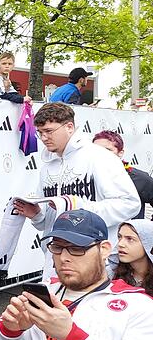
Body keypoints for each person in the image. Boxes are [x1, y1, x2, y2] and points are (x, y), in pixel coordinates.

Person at [0, 209, 153, 340]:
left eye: (76, 248)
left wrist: (71, 336)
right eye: (57, 247)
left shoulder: (136, 304)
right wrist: (11, 329)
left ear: (103, 249)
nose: (64, 258)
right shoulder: (44, 290)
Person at [12, 104, 140, 262]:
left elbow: (130, 203)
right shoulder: (47, 166)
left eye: (49, 131)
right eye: (40, 132)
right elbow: (48, 222)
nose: (44, 138)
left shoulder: (99, 157)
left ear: (69, 127)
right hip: (57, 258)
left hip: (95, 258)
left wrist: (79, 209)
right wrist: (36, 215)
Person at [92, 130, 153, 219]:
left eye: (107, 150)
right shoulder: (84, 176)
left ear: (120, 153)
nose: (100, 154)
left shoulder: (139, 178)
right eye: (96, 150)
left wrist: (146, 228)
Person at [115, 220, 153, 295]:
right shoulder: (112, 273)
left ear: (148, 243)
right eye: (119, 237)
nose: (120, 244)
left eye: (130, 239)